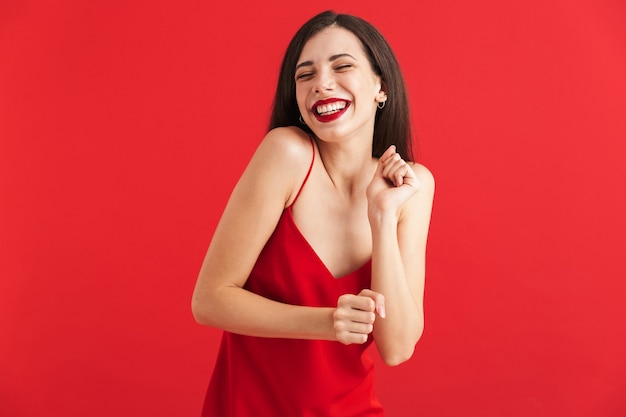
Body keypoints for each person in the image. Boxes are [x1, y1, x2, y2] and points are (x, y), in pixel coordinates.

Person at [191, 10, 434, 416]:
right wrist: (326, 323)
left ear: (381, 86)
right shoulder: (286, 153)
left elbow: (397, 347)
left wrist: (382, 216)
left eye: (342, 66)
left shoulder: (411, 186)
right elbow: (210, 301)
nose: (321, 84)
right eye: (305, 75)